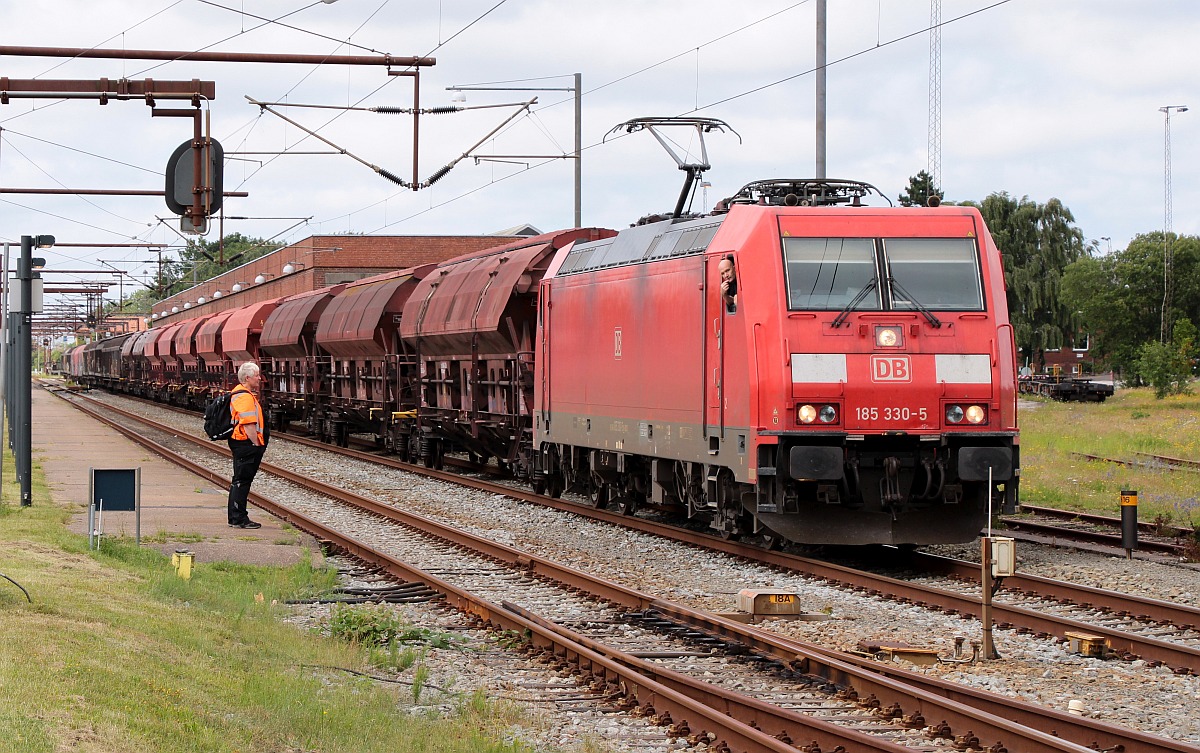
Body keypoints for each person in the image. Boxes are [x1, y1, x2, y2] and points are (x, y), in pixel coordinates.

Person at [227, 361, 269, 529]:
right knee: (241, 481)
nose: (260, 378)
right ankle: (238, 518)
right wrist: (256, 444)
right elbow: (249, 424)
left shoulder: (244, 394)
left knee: (240, 480)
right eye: (257, 375)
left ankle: (236, 517)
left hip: (242, 444)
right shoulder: (244, 397)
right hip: (245, 444)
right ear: (247, 378)